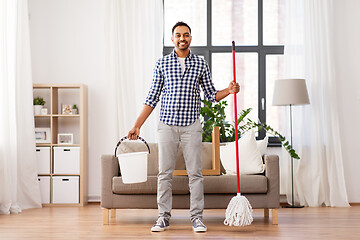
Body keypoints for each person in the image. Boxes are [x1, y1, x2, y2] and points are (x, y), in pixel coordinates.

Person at [128, 21, 240, 233]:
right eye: (178, 35)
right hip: (167, 125)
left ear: (190, 38)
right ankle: (163, 217)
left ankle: (197, 218)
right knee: (164, 174)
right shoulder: (162, 64)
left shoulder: (200, 63)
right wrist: (137, 126)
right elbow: (152, 98)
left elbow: (211, 95)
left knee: (195, 174)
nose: (182, 38)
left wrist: (229, 90)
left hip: (191, 126)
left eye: (186, 35)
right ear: (172, 39)